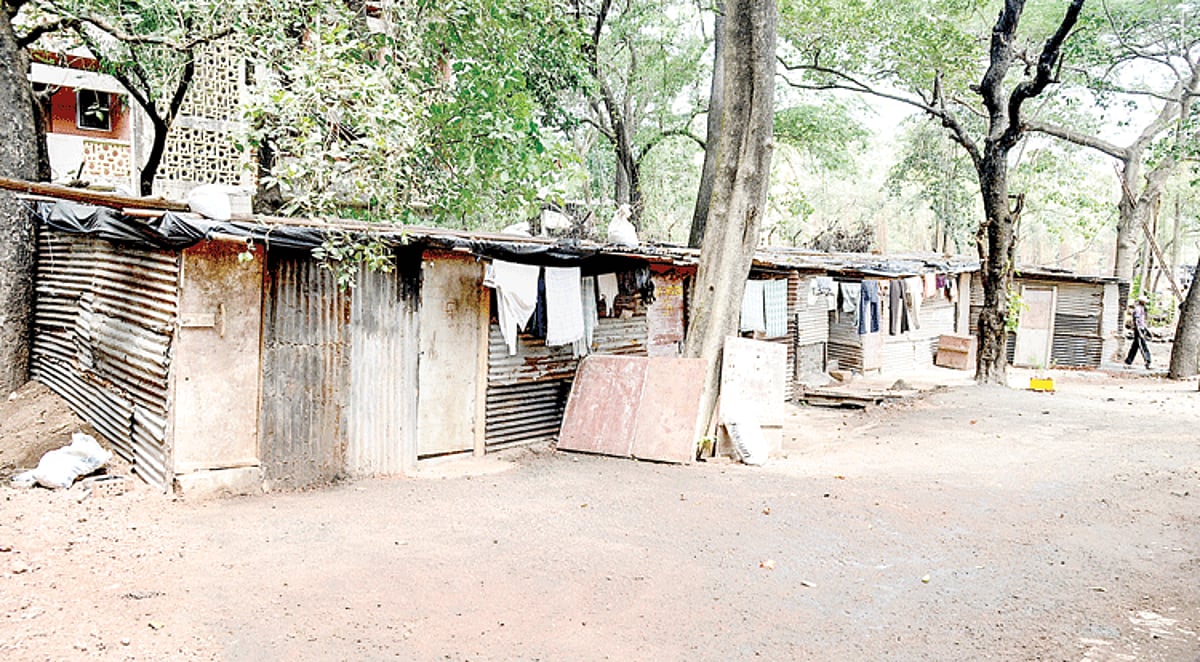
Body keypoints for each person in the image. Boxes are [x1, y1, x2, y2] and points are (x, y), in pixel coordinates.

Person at [1125, 296, 1152, 369]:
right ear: (1141, 301)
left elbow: (1142, 321)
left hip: (1141, 328)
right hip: (1138, 329)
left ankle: (1129, 360)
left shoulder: (1142, 309)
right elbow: (1136, 321)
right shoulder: (1137, 309)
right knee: (1143, 345)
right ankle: (1147, 360)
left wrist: (1145, 329)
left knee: (1135, 346)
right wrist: (1139, 331)